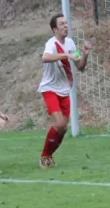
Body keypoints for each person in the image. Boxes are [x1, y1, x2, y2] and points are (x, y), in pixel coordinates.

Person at [37, 13, 92, 168]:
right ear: (55, 29)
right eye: (61, 24)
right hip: (50, 89)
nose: (65, 26)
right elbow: (45, 57)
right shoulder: (52, 43)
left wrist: (85, 55)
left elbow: (80, 67)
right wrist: (65, 54)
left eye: (66, 23)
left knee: (63, 128)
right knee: (60, 123)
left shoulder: (70, 43)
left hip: (64, 90)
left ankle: (48, 156)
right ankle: (44, 157)